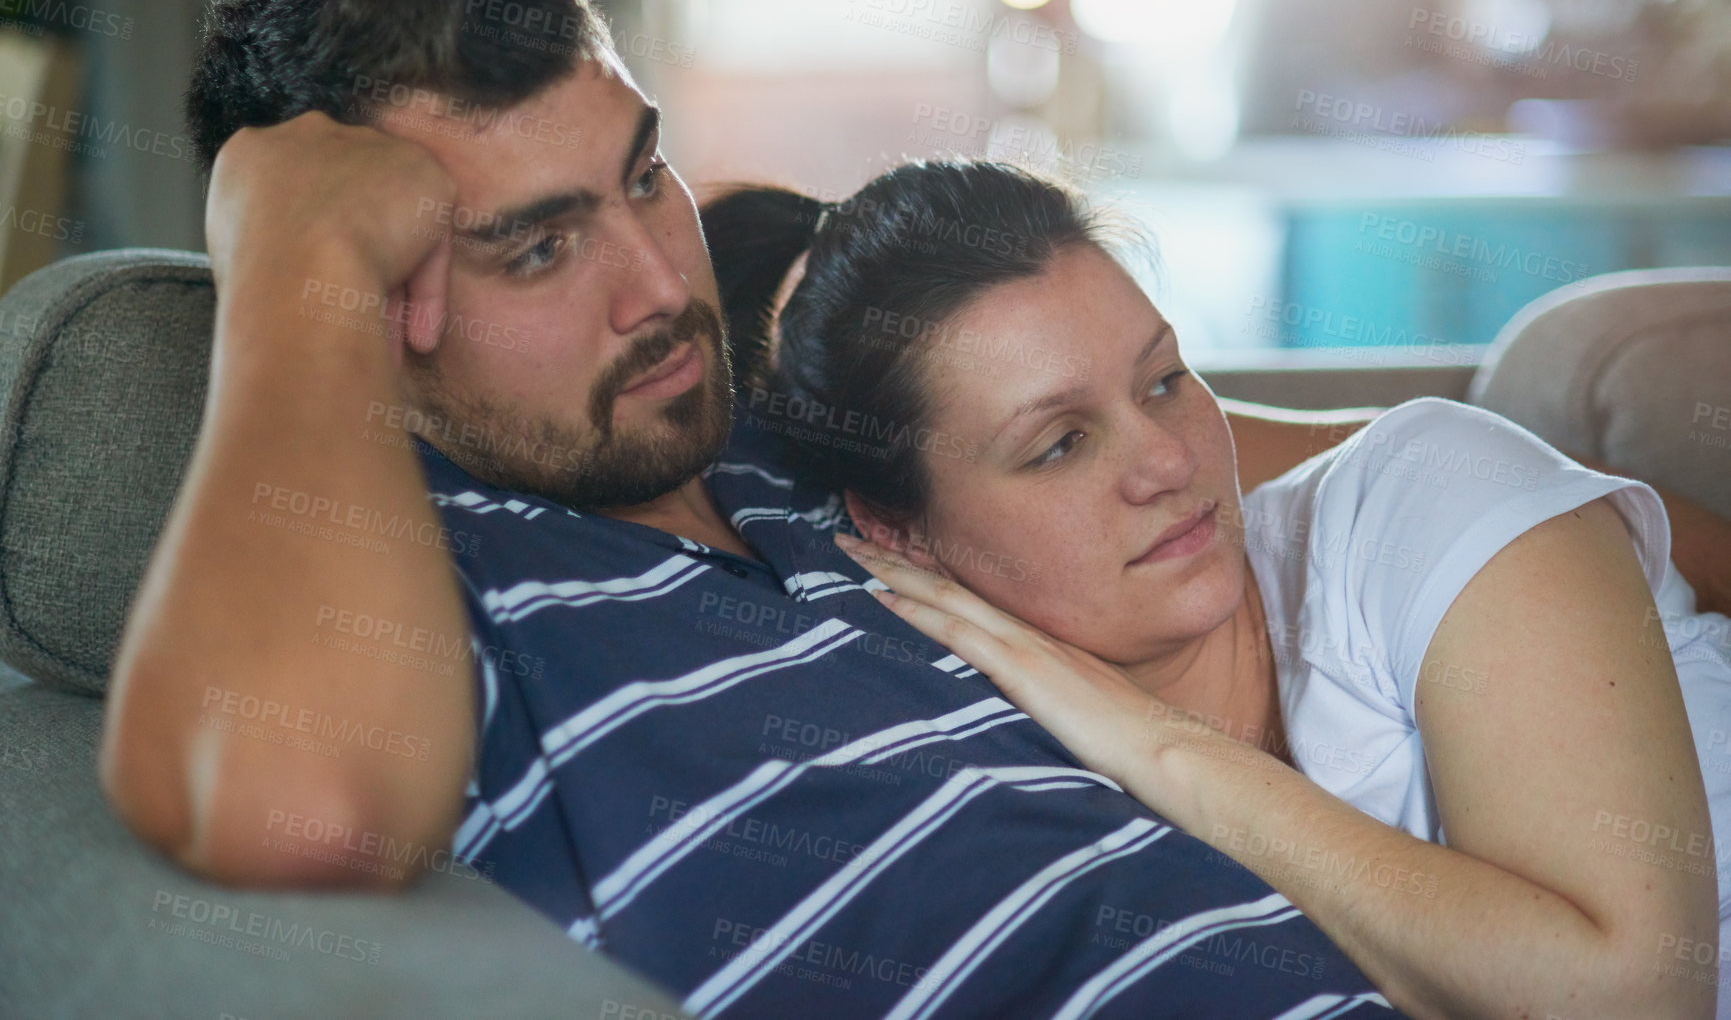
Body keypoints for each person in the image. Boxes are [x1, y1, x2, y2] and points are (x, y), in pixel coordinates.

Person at [99, 0, 1422, 1019]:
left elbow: (1317, 470)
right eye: (540, 248)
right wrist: (289, 256)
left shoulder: (791, 422)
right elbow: (292, 807)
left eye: (641, 173)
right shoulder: (423, 583)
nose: (656, 287)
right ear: (385, 298)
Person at [706, 161, 1731, 1019]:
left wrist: (1163, 749)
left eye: (1163, 380)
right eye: (1060, 444)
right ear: (899, 532)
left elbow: (1633, 998)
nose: (1166, 461)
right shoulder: (1006, 776)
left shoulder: (1421, 498)